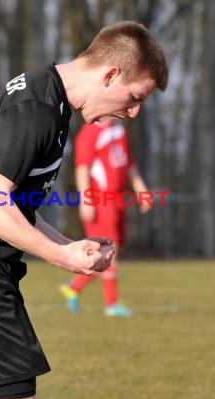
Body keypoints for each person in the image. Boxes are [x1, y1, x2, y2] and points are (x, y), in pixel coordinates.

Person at [0, 21, 168, 399]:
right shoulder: (38, 109)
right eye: (134, 97)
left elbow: (12, 206)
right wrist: (61, 257)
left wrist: (69, 245)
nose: (133, 112)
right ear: (111, 74)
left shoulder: (44, 96)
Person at [60, 118, 151, 317]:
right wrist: (86, 200)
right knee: (110, 251)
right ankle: (111, 304)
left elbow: (129, 164)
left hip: (119, 199)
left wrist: (141, 190)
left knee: (113, 250)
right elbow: (82, 167)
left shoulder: (120, 130)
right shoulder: (90, 132)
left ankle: (74, 286)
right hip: (101, 199)